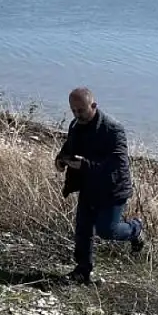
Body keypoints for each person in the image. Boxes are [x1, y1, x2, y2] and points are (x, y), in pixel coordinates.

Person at [55, 87, 146, 284]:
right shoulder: (76, 125)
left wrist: (84, 165)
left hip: (113, 188)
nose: (77, 115)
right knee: (83, 229)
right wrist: (61, 160)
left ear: (93, 106)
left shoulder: (113, 129)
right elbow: (69, 147)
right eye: (73, 111)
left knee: (107, 230)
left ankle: (136, 229)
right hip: (89, 186)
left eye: (81, 110)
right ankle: (82, 272)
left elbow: (116, 165)